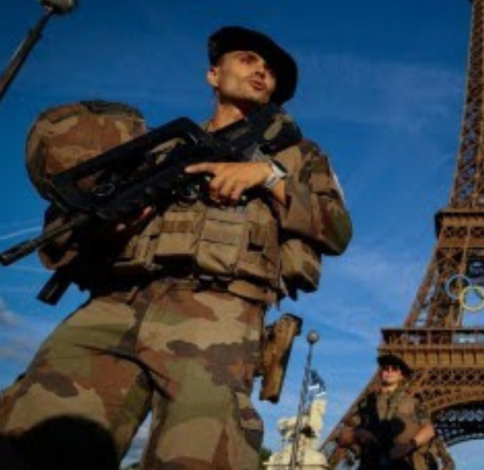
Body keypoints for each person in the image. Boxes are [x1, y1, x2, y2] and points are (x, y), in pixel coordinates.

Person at [0, 26, 352, 470]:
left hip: (218, 311)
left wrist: (268, 178)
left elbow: (338, 229)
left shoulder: (300, 155)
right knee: (35, 439)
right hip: (112, 302)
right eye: (247, 60)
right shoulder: (158, 146)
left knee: (200, 458)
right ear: (212, 74)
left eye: (271, 72)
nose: (262, 71)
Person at [338, 354, 436, 470]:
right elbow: (343, 437)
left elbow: (429, 429)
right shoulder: (365, 404)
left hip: (403, 462)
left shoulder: (414, 403)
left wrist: (409, 445)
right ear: (380, 373)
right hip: (373, 463)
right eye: (385, 368)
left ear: (401, 375)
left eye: (394, 369)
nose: (389, 371)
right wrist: (357, 432)